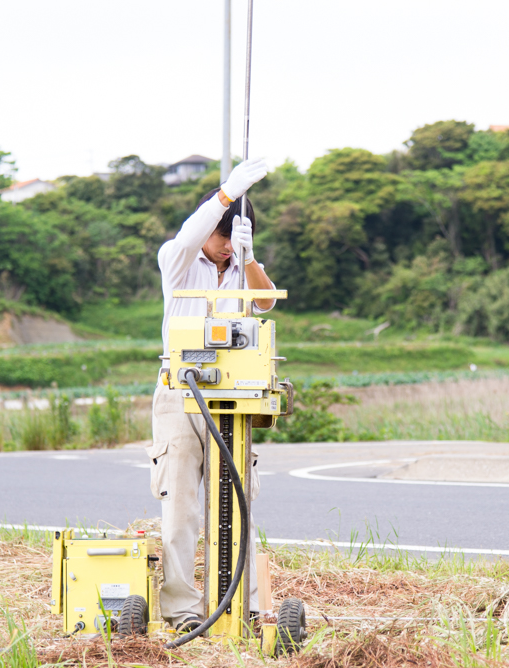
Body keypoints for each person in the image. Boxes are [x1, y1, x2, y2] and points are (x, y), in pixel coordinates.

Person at [148, 158, 275, 632]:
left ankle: (245, 604)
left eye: (232, 240)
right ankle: (182, 610)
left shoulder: (239, 265)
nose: (224, 250)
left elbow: (264, 302)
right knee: (179, 504)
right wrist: (227, 193)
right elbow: (187, 236)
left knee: (235, 502)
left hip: (230, 396)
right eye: (222, 239)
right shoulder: (177, 260)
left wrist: (249, 258)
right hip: (180, 392)